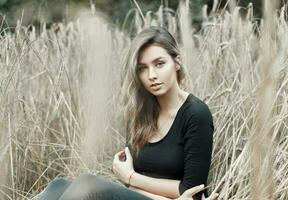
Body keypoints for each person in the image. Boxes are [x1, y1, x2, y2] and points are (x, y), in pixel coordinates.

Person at [35, 26, 217, 200]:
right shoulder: (140, 112)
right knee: (57, 186)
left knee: (88, 185)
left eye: (159, 64)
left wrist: (131, 177)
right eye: (142, 68)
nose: (151, 75)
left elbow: (192, 192)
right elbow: (128, 186)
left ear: (176, 63)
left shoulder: (196, 114)